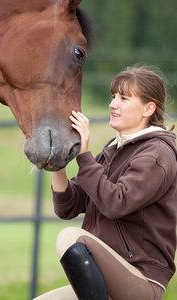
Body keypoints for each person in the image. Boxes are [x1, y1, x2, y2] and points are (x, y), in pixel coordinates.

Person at [34, 66, 177, 300]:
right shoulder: (113, 149)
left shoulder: (157, 154)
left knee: (71, 238)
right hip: (109, 280)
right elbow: (68, 207)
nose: (113, 104)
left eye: (123, 98)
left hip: (141, 278)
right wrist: (57, 163)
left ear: (148, 109)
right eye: (113, 96)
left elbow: (115, 203)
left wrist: (84, 155)